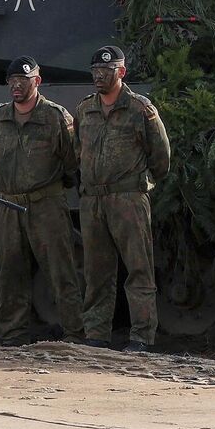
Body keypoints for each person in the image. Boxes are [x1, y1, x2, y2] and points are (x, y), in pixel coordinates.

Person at [75, 45, 170, 353]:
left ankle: (142, 336)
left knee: (139, 269)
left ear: (121, 72)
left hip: (129, 197)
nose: (100, 77)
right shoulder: (85, 109)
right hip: (93, 200)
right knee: (97, 271)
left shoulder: (140, 109)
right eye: (95, 72)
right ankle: (97, 334)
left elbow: (162, 156)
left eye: (106, 71)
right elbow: (77, 151)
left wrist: (141, 183)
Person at [0, 56, 81, 345]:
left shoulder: (55, 117)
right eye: (12, 81)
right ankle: (12, 335)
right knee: (11, 273)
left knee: (61, 271)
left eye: (23, 81)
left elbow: (71, 161)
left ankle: (74, 333)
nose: (16, 86)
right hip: (9, 205)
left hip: (46, 205)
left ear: (36, 82)